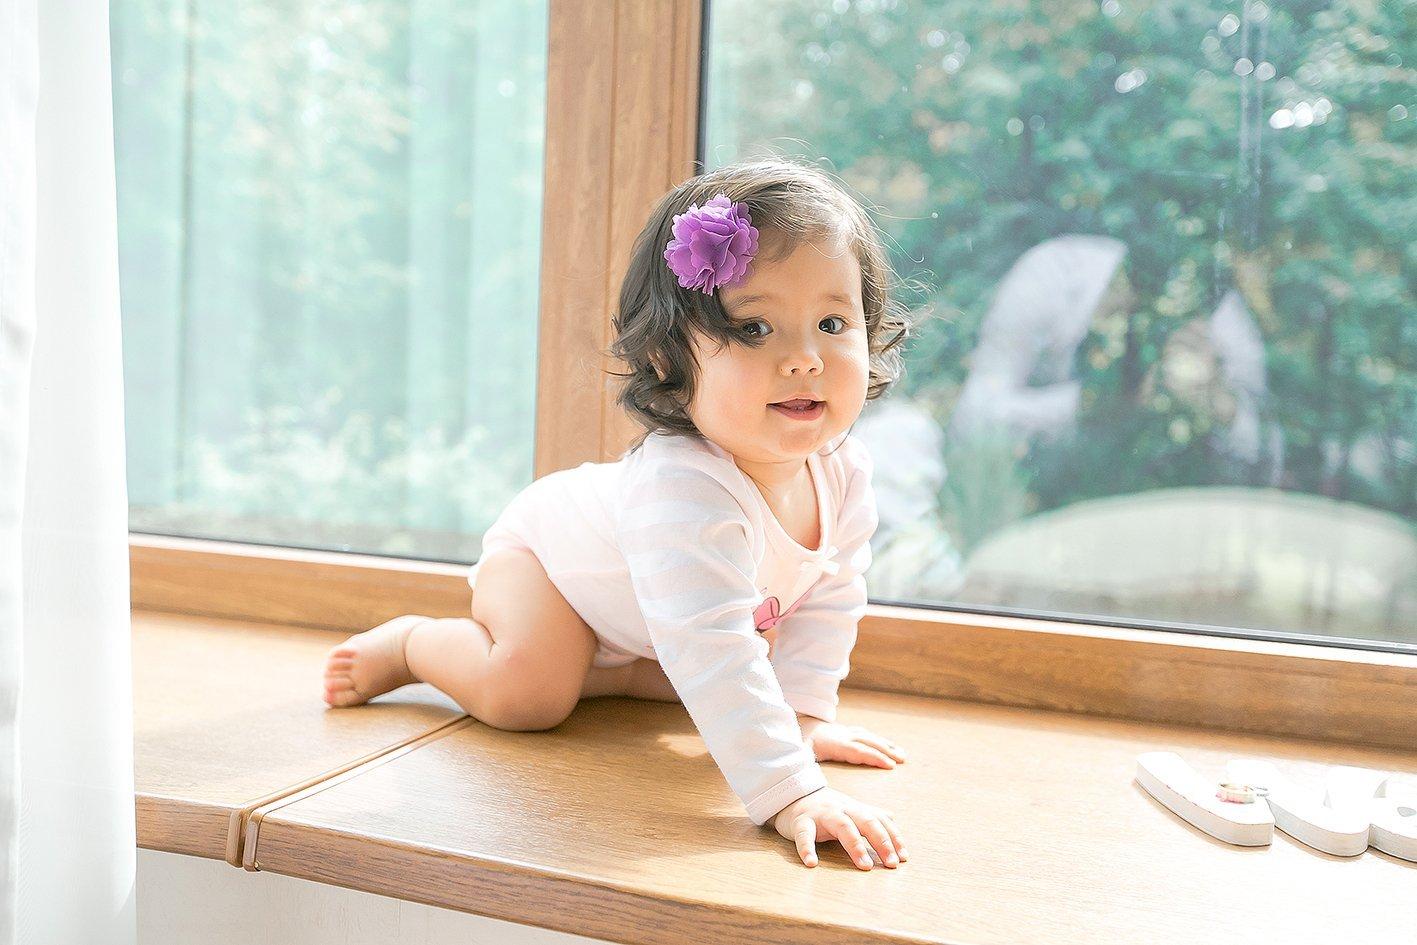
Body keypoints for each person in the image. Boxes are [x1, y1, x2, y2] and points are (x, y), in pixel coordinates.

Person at [322, 158, 916, 870]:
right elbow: (712, 646)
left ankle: (605, 672)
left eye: (832, 322)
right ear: (668, 360)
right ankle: (413, 643)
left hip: (644, 620)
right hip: (547, 565)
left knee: (726, 673)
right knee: (528, 695)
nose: (805, 359)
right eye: (755, 327)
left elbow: (832, 596)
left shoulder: (843, 472)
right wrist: (792, 791)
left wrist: (804, 718)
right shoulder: (683, 488)